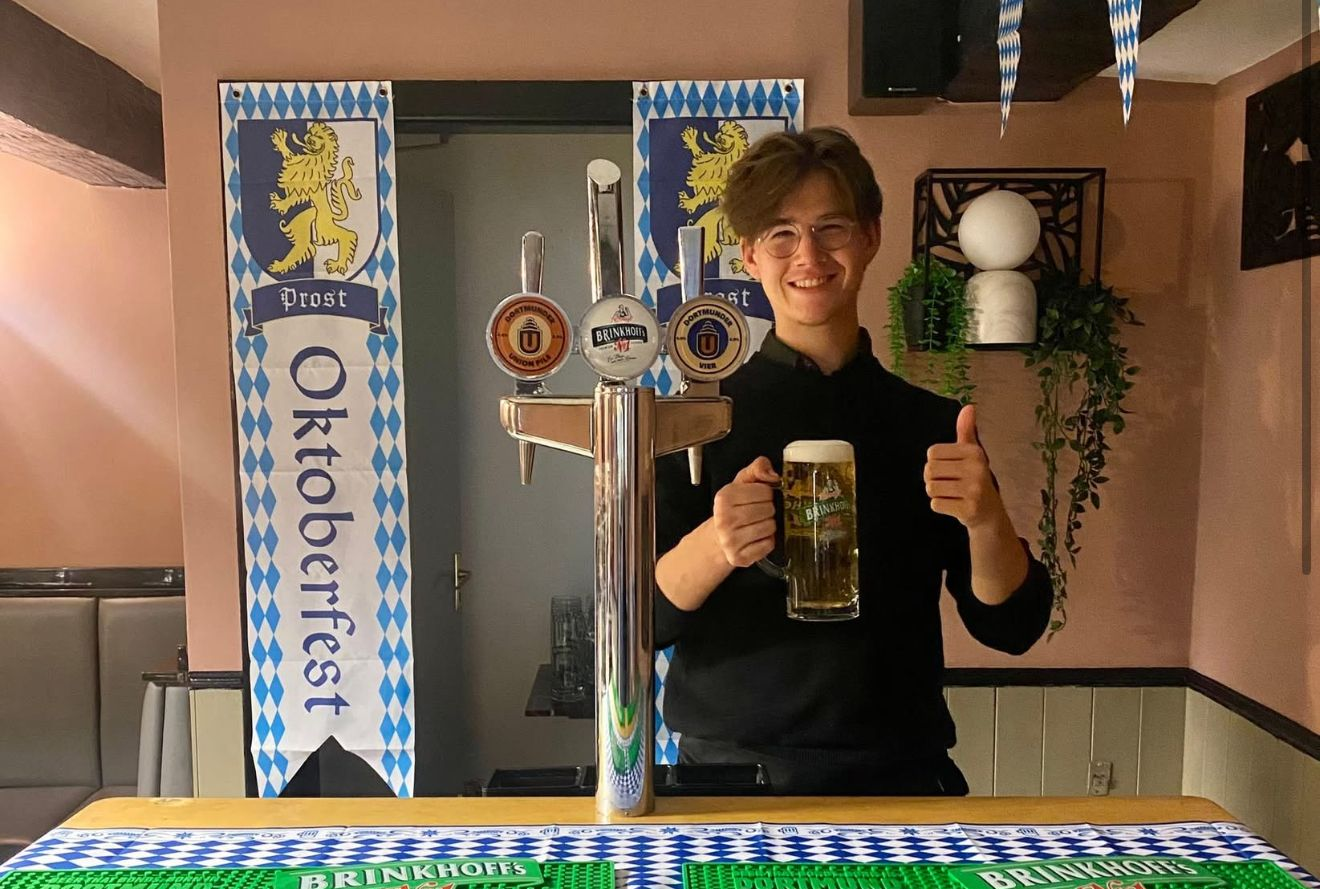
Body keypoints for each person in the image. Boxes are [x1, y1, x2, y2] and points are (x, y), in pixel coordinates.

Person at [654, 126, 1053, 796]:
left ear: (869, 236)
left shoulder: (932, 424)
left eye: (830, 227)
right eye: (781, 233)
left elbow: (1011, 626)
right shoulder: (693, 423)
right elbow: (644, 622)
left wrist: (987, 522)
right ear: (751, 255)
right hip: (729, 783)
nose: (807, 254)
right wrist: (717, 544)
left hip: (902, 779)